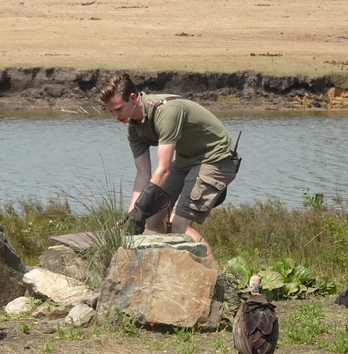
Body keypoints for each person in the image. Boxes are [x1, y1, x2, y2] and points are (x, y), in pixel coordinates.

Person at [96, 71, 240, 259]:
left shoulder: (166, 112)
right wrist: (132, 214)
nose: (115, 116)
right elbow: (142, 174)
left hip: (216, 159)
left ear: (132, 98)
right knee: (147, 223)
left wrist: (140, 209)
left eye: (118, 109)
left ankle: (215, 279)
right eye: (110, 111)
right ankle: (168, 269)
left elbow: (163, 169)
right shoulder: (133, 128)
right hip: (185, 161)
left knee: (179, 226)